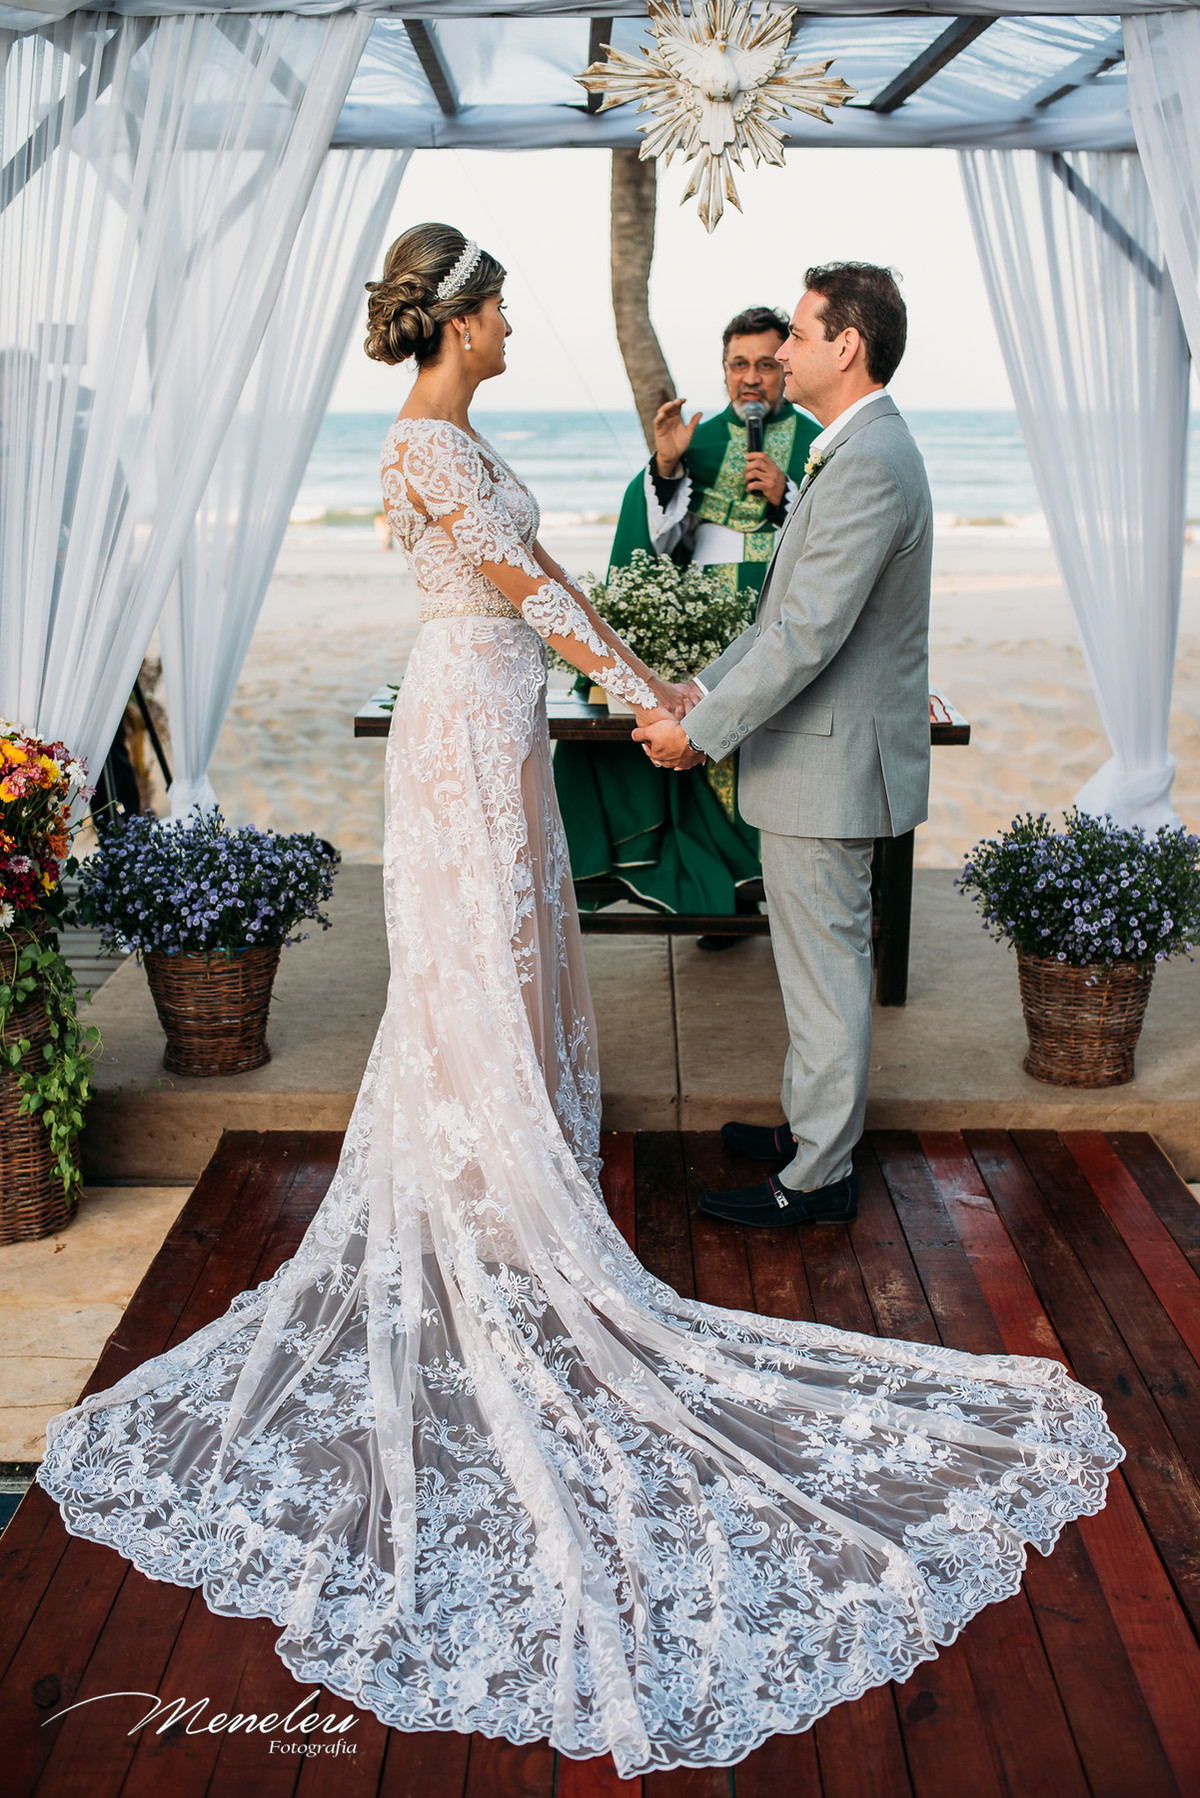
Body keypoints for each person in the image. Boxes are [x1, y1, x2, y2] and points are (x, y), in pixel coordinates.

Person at [37, 228, 1122, 1778]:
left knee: (519, 955)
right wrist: (637, 690)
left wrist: (637, 683)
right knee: (470, 962)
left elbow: (551, 573)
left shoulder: (468, 433)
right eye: (496, 309)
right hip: (470, 722)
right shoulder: (426, 444)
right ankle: (483, 1193)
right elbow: (521, 588)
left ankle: (518, 1164)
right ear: (459, 320)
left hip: (505, 722)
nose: (507, 326)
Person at [636, 264, 936, 1229]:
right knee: (812, 965)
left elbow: (807, 633)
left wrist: (700, 734)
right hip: (817, 758)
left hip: (831, 763)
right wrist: (703, 687)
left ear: (845, 346)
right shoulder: (850, 451)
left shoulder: (872, 461)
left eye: (800, 337)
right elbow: (776, 614)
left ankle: (819, 1175)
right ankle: (816, 1127)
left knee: (827, 966)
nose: (786, 354)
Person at [553, 308, 819, 933]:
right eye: (738, 365)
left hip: (778, 616)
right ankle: (714, 889)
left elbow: (840, 547)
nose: (751, 378)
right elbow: (656, 542)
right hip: (698, 626)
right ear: (724, 370)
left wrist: (789, 498)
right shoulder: (695, 440)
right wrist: (667, 468)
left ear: (785, 365)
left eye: (764, 363)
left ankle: (766, 881)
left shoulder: (817, 443)